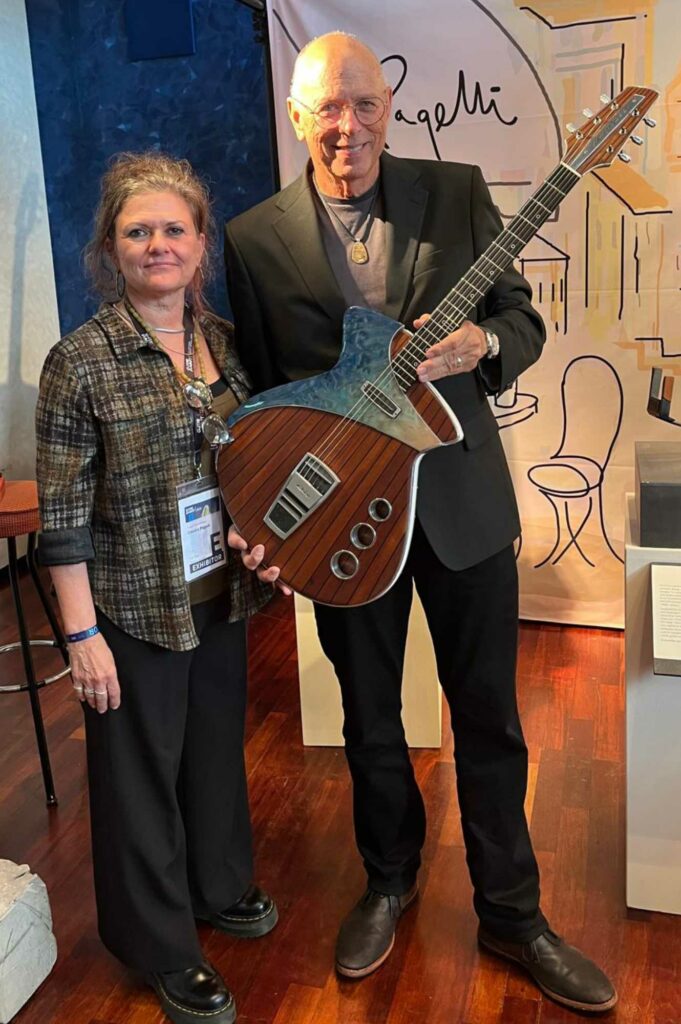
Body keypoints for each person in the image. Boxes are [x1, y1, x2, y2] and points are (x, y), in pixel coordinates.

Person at [224, 32, 617, 1014]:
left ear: (388, 106)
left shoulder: (455, 191)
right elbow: (267, 392)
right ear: (296, 116)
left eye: (363, 103)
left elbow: (522, 318)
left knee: (488, 717)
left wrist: (485, 341)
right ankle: (388, 880)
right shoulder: (253, 238)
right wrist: (268, 512)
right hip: (341, 519)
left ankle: (513, 913)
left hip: (459, 505)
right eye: (326, 107)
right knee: (369, 717)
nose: (346, 126)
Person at [35, 152, 277, 1024]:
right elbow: (62, 517)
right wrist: (81, 637)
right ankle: (162, 945)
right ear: (111, 248)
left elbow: (246, 462)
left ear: (202, 243)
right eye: (137, 231)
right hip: (131, 604)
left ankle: (218, 884)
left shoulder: (223, 343)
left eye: (174, 228)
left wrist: (255, 532)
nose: (157, 245)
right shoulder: (81, 360)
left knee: (211, 751)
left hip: (217, 591)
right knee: (138, 778)